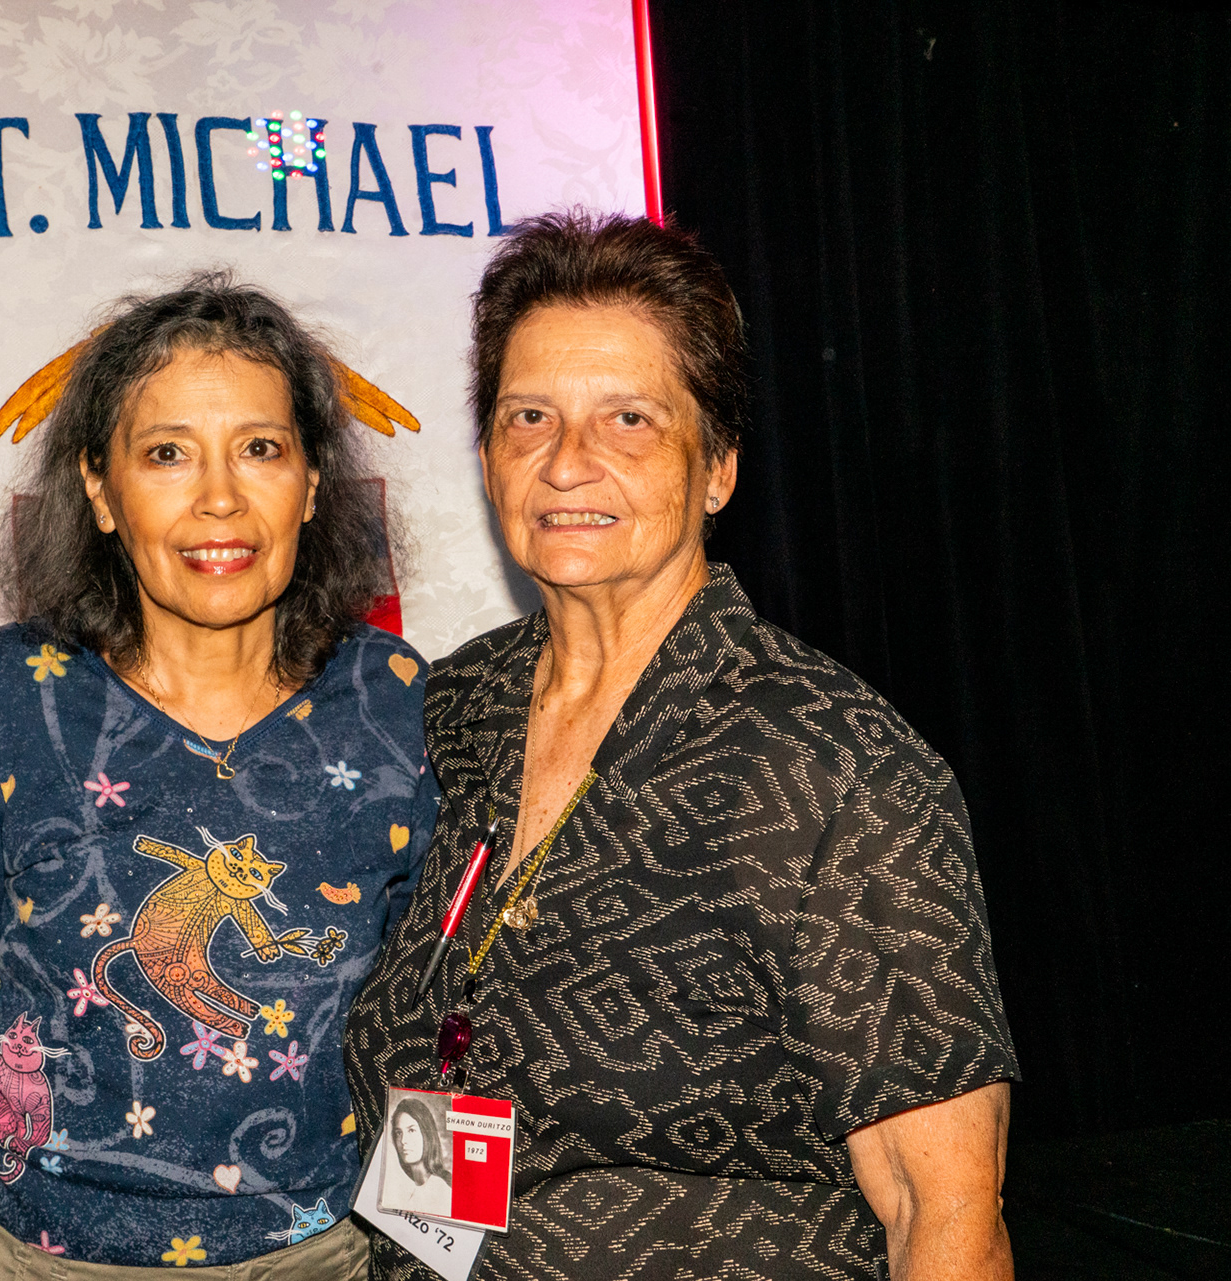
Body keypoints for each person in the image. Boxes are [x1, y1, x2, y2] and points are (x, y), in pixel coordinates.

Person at [343, 212, 1019, 1280]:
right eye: (529, 417)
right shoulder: (455, 707)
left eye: (628, 420)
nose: (567, 463)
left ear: (718, 469)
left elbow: (945, 1215)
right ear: (487, 458)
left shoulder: (829, 766)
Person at [0, 272, 437, 1280]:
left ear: (312, 483)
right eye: (167, 452)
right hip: (30, 1257)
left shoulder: (397, 701)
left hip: (323, 1257)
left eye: (261, 448)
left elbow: (432, 1030)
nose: (220, 497)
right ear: (99, 488)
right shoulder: (1, 696)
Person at [382, 1095, 452, 1216]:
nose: (403, 1141)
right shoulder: (407, 1187)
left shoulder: (439, 1188)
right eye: (398, 1133)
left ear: (427, 1134)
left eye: (411, 1130)